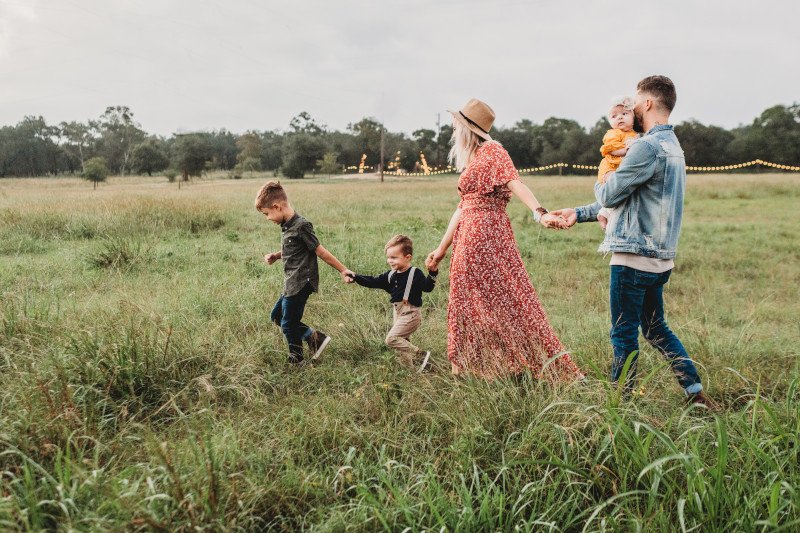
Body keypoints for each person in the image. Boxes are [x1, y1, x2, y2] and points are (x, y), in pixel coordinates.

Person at [550, 76, 715, 408]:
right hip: (660, 258)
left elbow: (611, 192)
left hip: (632, 257)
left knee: (623, 334)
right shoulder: (673, 147)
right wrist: (579, 213)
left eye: (636, 102)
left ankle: (619, 407)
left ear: (649, 104)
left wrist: (605, 178)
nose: (632, 108)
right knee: (655, 329)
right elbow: (632, 199)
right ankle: (694, 393)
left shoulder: (645, 146)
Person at [426, 98, 583, 381]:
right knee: (470, 300)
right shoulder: (474, 158)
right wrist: (440, 250)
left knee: (504, 299)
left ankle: (506, 363)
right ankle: (474, 366)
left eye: (456, 126)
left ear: (467, 129)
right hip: (470, 234)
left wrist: (540, 213)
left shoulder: (493, 151)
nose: (453, 131)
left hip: (485, 234)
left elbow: (515, 183)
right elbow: (462, 207)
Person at [256, 181, 354, 366]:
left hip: (301, 282)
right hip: (291, 282)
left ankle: (297, 360)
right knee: (277, 316)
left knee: (288, 323)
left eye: (267, 213)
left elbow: (319, 250)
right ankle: (315, 338)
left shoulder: (302, 225)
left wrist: (343, 270)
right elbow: (293, 248)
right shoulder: (287, 226)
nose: (267, 218)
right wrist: (277, 256)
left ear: (277, 206)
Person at [347, 234, 437, 372]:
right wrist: (355, 277)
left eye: (394, 257)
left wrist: (432, 272)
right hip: (398, 313)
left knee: (392, 339)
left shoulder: (415, 273)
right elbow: (372, 281)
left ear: (408, 257)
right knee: (403, 345)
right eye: (388, 257)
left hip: (411, 314)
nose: (390, 261)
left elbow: (428, 288)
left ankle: (421, 354)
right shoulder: (390, 275)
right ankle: (410, 371)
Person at [596, 96, 639, 231]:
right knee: (615, 186)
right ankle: (605, 214)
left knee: (620, 192)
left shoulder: (635, 134)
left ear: (633, 118)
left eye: (624, 114)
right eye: (614, 116)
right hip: (610, 167)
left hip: (620, 167)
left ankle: (604, 213)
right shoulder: (613, 133)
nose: (619, 118)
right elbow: (611, 149)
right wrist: (626, 150)